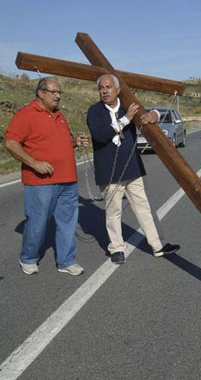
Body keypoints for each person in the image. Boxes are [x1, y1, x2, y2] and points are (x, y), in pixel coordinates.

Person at [86, 74, 181, 264]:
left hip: (132, 168)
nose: (104, 91)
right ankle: (117, 249)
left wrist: (154, 114)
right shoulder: (94, 111)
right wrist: (125, 119)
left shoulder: (128, 105)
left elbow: (149, 113)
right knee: (113, 212)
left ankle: (158, 245)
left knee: (143, 208)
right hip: (109, 171)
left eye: (108, 87)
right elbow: (100, 135)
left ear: (118, 89)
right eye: (101, 88)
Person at [4, 78, 88, 276]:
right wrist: (34, 163)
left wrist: (75, 142)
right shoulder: (26, 115)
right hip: (41, 182)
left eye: (59, 93)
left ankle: (66, 261)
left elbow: (60, 141)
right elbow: (11, 143)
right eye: (53, 92)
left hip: (68, 179)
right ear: (40, 93)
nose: (58, 96)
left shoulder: (58, 114)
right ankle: (29, 258)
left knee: (67, 223)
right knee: (38, 222)